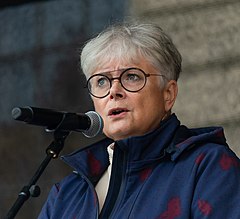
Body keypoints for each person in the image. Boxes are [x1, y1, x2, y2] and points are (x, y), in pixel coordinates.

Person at [38, 22, 240, 219]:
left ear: (168, 94)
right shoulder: (67, 194)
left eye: (132, 77)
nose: (113, 91)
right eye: (101, 81)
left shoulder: (207, 166)